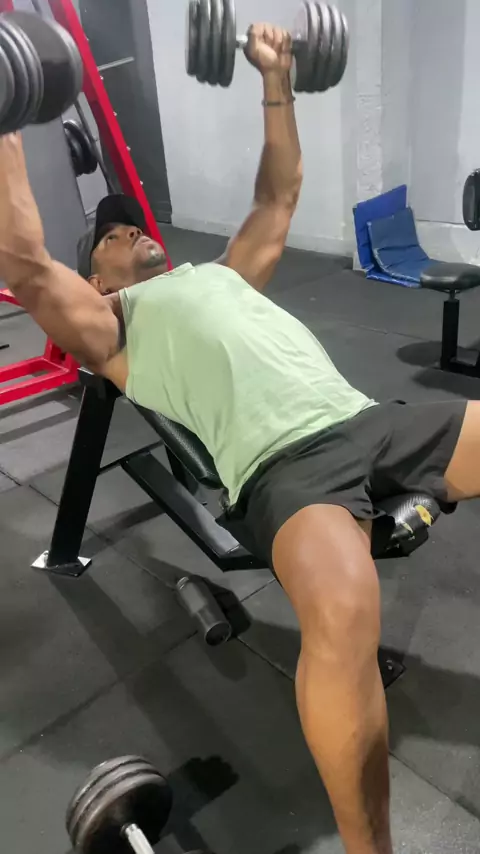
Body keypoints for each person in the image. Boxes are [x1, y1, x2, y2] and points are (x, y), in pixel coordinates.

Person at [0, 22, 479, 854]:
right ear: (96, 279)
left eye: (130, 225)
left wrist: (277, 76)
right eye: (110, 238)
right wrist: (8, 118)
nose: (129, 231)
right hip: (286, 473)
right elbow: (26, 264)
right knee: (344, 610)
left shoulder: (224, 274)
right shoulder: (111, 327)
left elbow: (280, 195)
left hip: (372, 419)